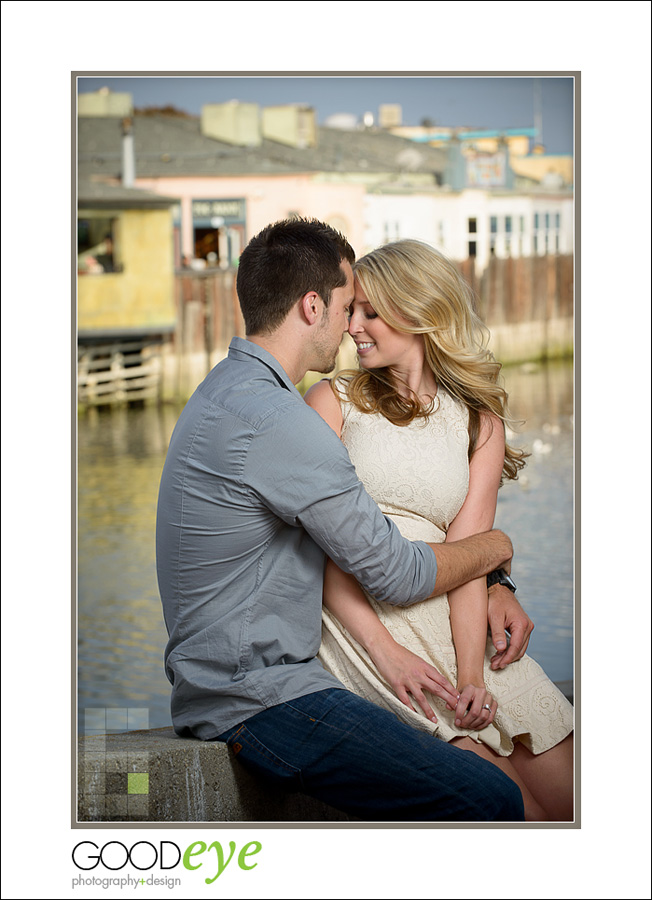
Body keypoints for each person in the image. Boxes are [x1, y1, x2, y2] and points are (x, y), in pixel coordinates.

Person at [156, 217, 531, 822]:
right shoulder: (283, 422)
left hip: (222, 687)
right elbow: (396, 574)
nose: (351, 324)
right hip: (261, 700)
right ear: (312, 306)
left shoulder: (222, 393)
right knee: (491, 797)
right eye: (345, 303)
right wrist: (497, 549)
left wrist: (493, 587)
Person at [304, 238, 574, 821]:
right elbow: (312, 548)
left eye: (371, 312)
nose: (353, 326)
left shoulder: (478, 420)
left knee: (573, 798)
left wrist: (474, 674)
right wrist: (388, 652)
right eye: (352, 310)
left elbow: (469, 559)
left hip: (457, 626)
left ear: (421, 313)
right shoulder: (332, 402)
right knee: (511, 807)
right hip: (365, 626)